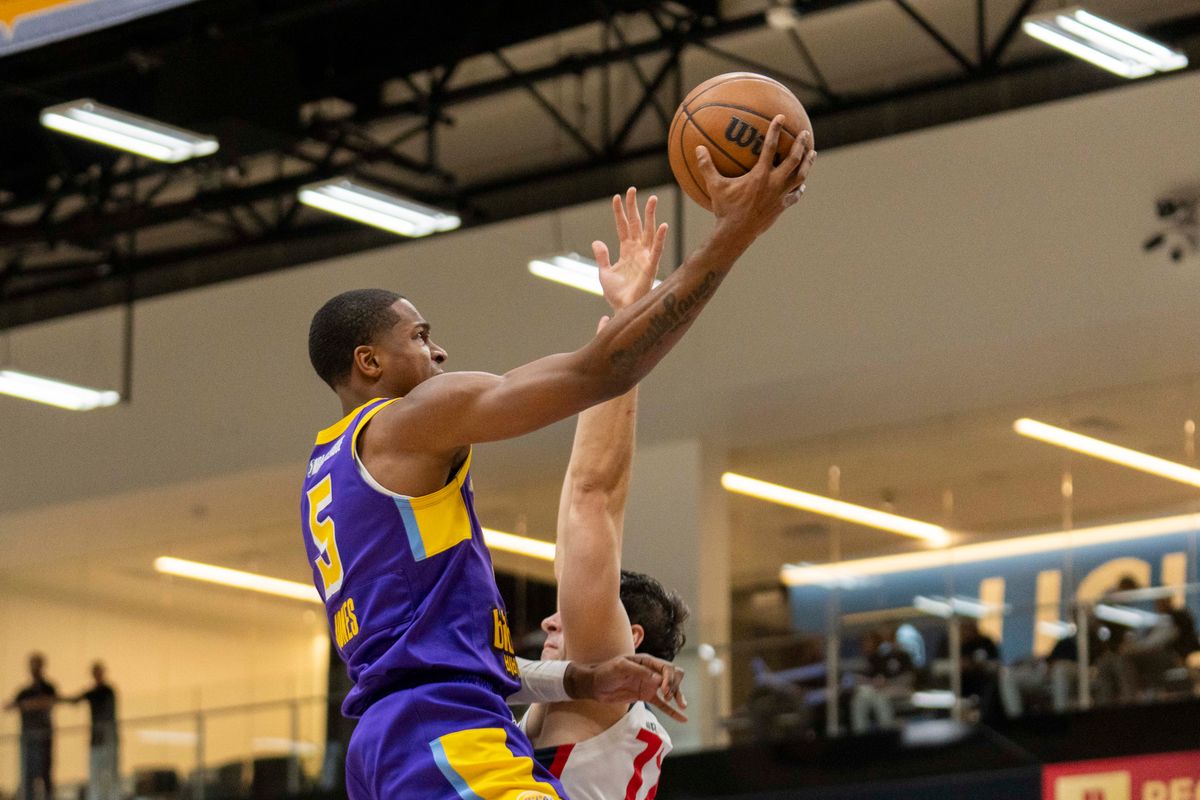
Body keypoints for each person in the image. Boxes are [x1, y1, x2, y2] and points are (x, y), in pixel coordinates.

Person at [300, 120, 816, 800]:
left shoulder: (325, 469)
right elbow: (600, 391)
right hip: (444, 733)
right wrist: (734, 233)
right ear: (369, 362)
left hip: (393, 741)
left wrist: (579, 679)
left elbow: (434, 651)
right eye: (421, 338)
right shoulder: (410, 422)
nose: (440, 354)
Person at [518, 212, 689, 798]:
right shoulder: (579, 703)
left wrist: (627, 330)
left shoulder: (599, 696)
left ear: (628, 639)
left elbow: (594, 501)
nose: (549, 618)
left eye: (570, 614)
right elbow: (577, 508)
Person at [5, 652, 57, 800]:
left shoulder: (48, 687)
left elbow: (49, 702)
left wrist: (27, 705)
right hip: (28, 739)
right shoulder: (25, 691)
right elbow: (10, 706)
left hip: (43, 738)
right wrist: (28, 705)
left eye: (37, 665)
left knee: (45, 774)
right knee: (28, 776)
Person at [67, 662, 119, 800]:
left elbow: (108, 713)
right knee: (96, 774)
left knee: (110, 774)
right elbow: (75, 700)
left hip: (108, 737)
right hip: (97, 739)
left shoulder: (108, 691)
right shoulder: (92, 692)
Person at [849, 628, 916, 734]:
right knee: (860, 697)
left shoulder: (903, 655)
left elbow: (908, 678)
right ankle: (860, 734)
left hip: (898, 689)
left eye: (889, 637)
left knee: (880, 697)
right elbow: (872, 677)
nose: (886, 641)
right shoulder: (877, 657)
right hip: (877, 690)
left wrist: (887, 683)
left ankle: (887, 731)